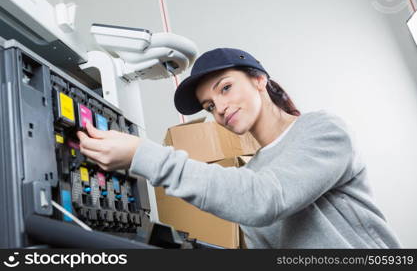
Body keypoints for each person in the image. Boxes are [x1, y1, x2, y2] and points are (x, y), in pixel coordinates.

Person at [77, 48, 401, 248]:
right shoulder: (251, 174)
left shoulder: (323, 129)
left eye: (226, 88)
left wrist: (141, 155)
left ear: (259, 79)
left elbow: (266, 198)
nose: (219, 108)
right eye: (209, 105)